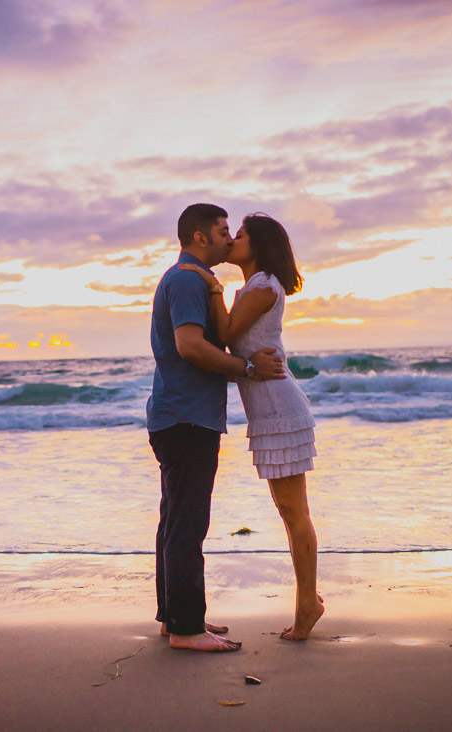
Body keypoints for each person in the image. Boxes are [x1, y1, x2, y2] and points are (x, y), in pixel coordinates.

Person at [147, 203, 287, 653]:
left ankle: (176, 618)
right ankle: (187, 629)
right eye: (224, 231)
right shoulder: (188, 280)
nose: (230, 239)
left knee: (174, 520)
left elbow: (202, 346)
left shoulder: (191, 280)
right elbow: (191, 347)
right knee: (187, 523)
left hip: (177, 414)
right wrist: (247, 367)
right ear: (201, 238)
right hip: (187, 417)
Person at [179, 212, 324, 641]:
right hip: (269, 410)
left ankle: (308, 604)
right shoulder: (255, 287)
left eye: (238, 236)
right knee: (288, 510)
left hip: (279, 410)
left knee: (295, 512)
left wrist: (210, 284)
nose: (232, 242)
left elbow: (222, 332)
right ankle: (308, 601)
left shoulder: (261, 288)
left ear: (257, 245)